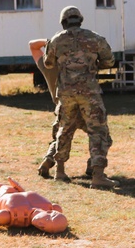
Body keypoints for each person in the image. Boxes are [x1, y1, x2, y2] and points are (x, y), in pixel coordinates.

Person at [42, 6, 117, 188]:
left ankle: (60, 172)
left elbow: (48, 63)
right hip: (89, 92)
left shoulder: (56, 40)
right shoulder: (95, 38)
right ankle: (98, 175)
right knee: (97, 131)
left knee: (64, 129)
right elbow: (110, 61)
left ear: (63, 21)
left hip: (66, 93)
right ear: (80, 19)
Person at [30, 38, 91, 181]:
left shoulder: (47, 67)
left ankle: (48, 160)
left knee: (60, 138)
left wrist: (49, 41)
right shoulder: (75, 64)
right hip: (83, 107)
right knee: (99, 135)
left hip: (62, 107)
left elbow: (32, 46)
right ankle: (93, 166)